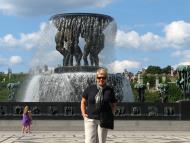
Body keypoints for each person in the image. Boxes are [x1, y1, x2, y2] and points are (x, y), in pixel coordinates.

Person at [81, 67, 117, 143]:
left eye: (103, 77)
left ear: (106, 78)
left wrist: (112, 114)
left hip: (104, 119)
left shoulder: (109, 90)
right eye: (99, 77)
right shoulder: (90, 88)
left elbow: (114, 103)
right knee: (89, 141)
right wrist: (83, 113)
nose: (101, 79)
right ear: (96, 78)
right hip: (90, 118)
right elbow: (83, 101)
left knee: (101, 141)